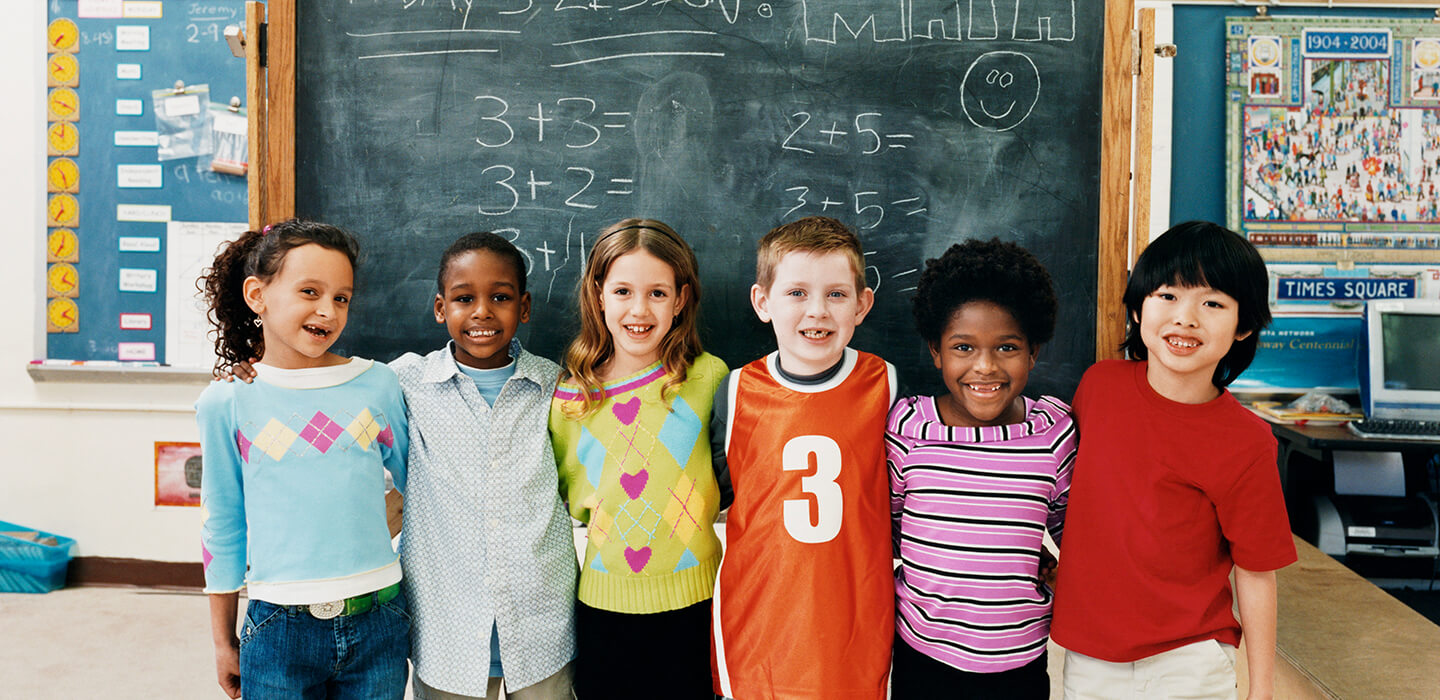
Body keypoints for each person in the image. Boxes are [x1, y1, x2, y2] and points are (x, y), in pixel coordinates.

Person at [1050, 221, 1297, 700]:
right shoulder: (1099, 387)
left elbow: (1256, 570)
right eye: (1168, 296)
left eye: (1212, 303)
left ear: (1244, 325)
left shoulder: (1247, 441)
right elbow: (1079, 495)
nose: (1186, 318)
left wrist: (1261, 688)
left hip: (1189, 662)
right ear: (1139, 307)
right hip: (1089, 656)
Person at [195, 219, 410, 699]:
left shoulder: (378, 384)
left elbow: (418, 480)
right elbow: (222, 523)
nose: (327, 311)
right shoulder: (227, 402)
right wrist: (221, 640)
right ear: (257, 295)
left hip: (378, 616)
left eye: (341, 298)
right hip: (278, 626)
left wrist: (383, 516)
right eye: (309, 291)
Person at [709, 216, 897, 700]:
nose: (817, 311)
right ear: (762, 302)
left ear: (862, 305)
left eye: (836, 294)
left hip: (853, 632)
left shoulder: (887, 386)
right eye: (797, 293)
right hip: (758, 630)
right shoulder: (733, 392)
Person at [390, 232, 578, 700]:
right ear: (440, 308)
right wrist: (258, 368)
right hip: (445, 635)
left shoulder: (557, 387)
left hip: (542, 631)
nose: (482, 312)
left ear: (525, 306)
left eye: (500, 297)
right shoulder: (405, 384)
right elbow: (329, 383)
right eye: (463, 298)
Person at [886, 238, 1076, 699]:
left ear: (1033, 351)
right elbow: (891, 526)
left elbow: (1076, 531)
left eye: (1007, 347)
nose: (985, 367)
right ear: (936, 351)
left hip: (1020, 663)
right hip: (922, 657)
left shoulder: (1054, 430)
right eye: (963, 347)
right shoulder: (908, 427)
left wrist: (1042, 563)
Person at [549, 219, 727, 698]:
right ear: (598, 294)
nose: (639, 309)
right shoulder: (570, 399)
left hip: (699, 603)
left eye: (657, 293)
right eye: (623, 291)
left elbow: (729, 478)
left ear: (681, 299)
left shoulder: (708, 379)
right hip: (604, 608)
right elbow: (570, 493)